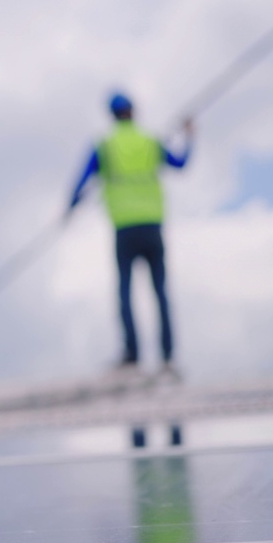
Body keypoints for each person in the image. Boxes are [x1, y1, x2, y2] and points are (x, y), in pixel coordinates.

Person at [68, 92, 194, 374]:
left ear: (111, 115)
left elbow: (82, 180)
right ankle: (168, 356)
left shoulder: (105, 145)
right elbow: (181, 163)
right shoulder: (151, 140)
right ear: (134, 111)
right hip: (152, 223)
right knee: (160, 291)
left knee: (125, 291)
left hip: (124, 226)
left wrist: (70, 207)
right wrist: (189, 136)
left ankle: (132, 354)